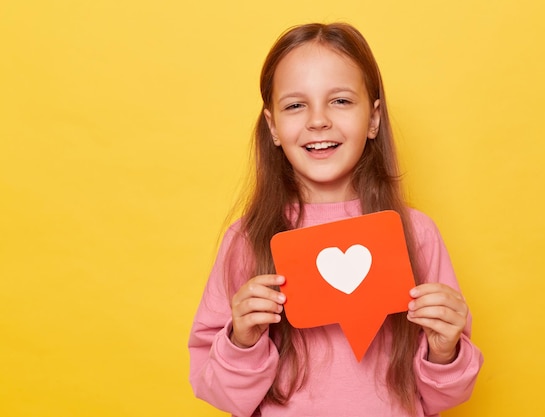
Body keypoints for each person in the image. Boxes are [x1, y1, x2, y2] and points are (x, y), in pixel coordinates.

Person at [188, 22, 483, 417]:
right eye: (296, 105)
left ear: (374, 118)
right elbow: (220, 393)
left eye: (340, 101)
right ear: (273, 126)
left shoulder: (417, 234)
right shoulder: (247, 238)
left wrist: (445, 351)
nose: (318, 120)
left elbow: (444, 396)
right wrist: (242, 341)